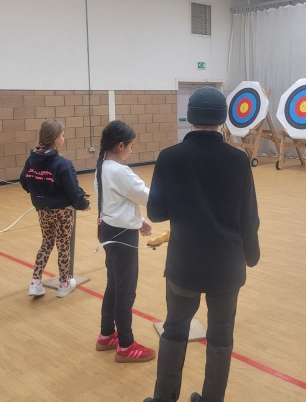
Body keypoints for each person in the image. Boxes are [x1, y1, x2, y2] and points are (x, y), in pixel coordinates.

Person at [144, 87, 260, 402]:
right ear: (223, 119)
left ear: (190, 117)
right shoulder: (238, 160)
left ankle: (164, 398)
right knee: (221, 337)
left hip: (184, 264)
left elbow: (156, 212)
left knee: (175, 329)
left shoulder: (170, 157)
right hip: (227, 266)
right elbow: (248, 217)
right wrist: (251, 256)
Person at [94, 120, 156, 363]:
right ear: (120, 146)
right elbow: (147, 197)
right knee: (125, 290)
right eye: (131, 145)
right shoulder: (120, 172)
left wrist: (138, 221)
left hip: (108, 231)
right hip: (121, 237)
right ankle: (126, 345)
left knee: (114, 285)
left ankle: (106, 334)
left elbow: (117, 203)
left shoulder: (102, 167)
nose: (132, 149)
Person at [20, 118, 90, 298]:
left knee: (47, 242)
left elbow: (24, 182)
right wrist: (84, 204)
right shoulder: (62, 163)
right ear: (56, 138)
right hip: (62, 211)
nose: (63, 138)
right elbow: (74, 192)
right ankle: (64, 284)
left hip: (43, 210)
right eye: (62, 135)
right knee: (63, 245)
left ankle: (35, 282)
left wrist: (39, 192)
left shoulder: (31, 160)